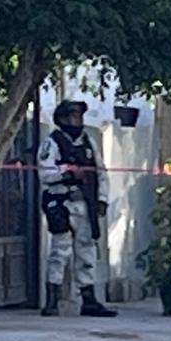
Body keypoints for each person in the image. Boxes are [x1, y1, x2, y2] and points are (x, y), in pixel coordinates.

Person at [39, 100, 117, 318]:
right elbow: (45, 173)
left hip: (85, 204)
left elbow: (101, 173)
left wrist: (102, 199)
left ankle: (88, 299)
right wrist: (67, 172)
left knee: (87, 251)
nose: (77, 120)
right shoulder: (52, 143)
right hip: (61, 203)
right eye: (72, 116)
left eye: (79, 116)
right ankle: (52, 299)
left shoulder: (89, 143)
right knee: (60, 251)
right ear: (62, 119)